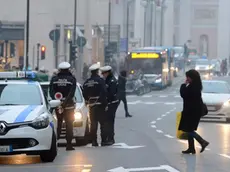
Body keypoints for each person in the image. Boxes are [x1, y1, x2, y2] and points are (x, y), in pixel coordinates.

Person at [179, 69, 209, 154]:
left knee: (189, 130)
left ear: (192, 77)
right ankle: (191, 148)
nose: (187, 78)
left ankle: (202, 142)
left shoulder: (193, 87)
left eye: (188, 77)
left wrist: (184, 85)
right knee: (189, 129)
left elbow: (183, 94)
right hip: (193, 111)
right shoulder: (196, 86)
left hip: (192, 112)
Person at [49, 62, 76, 151]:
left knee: (58, 124)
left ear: (60, 69)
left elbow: (51, 92)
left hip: (58, 106)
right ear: (68, 69)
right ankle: (69, 145)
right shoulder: (72, 79)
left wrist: (57, 102)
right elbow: (71, 93)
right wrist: (65, 103)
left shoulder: (54, 79)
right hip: (69, 106)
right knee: (69, 124)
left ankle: (55, 142)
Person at [82, 63, 109, 146]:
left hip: (91, 105)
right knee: (103, 123)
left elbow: (84, 93)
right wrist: (105, 104)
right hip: (100, 104)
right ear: (97, 71)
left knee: (93, 124)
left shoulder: (87, 82)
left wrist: (88, 100)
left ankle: (94, 141)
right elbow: (104, 92)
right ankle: (104, 141)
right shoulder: (100, 81)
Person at [100, 65, 119, 144]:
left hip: (112, 103)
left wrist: (106, 101)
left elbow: (111, 93)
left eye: (104, 73)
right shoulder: (108, 80)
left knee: (110, 121)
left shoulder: (111, 81)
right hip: (110, 102)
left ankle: (111, 138)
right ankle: (109, 138)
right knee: (108, 121)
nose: (103, 75)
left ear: (107, 73)